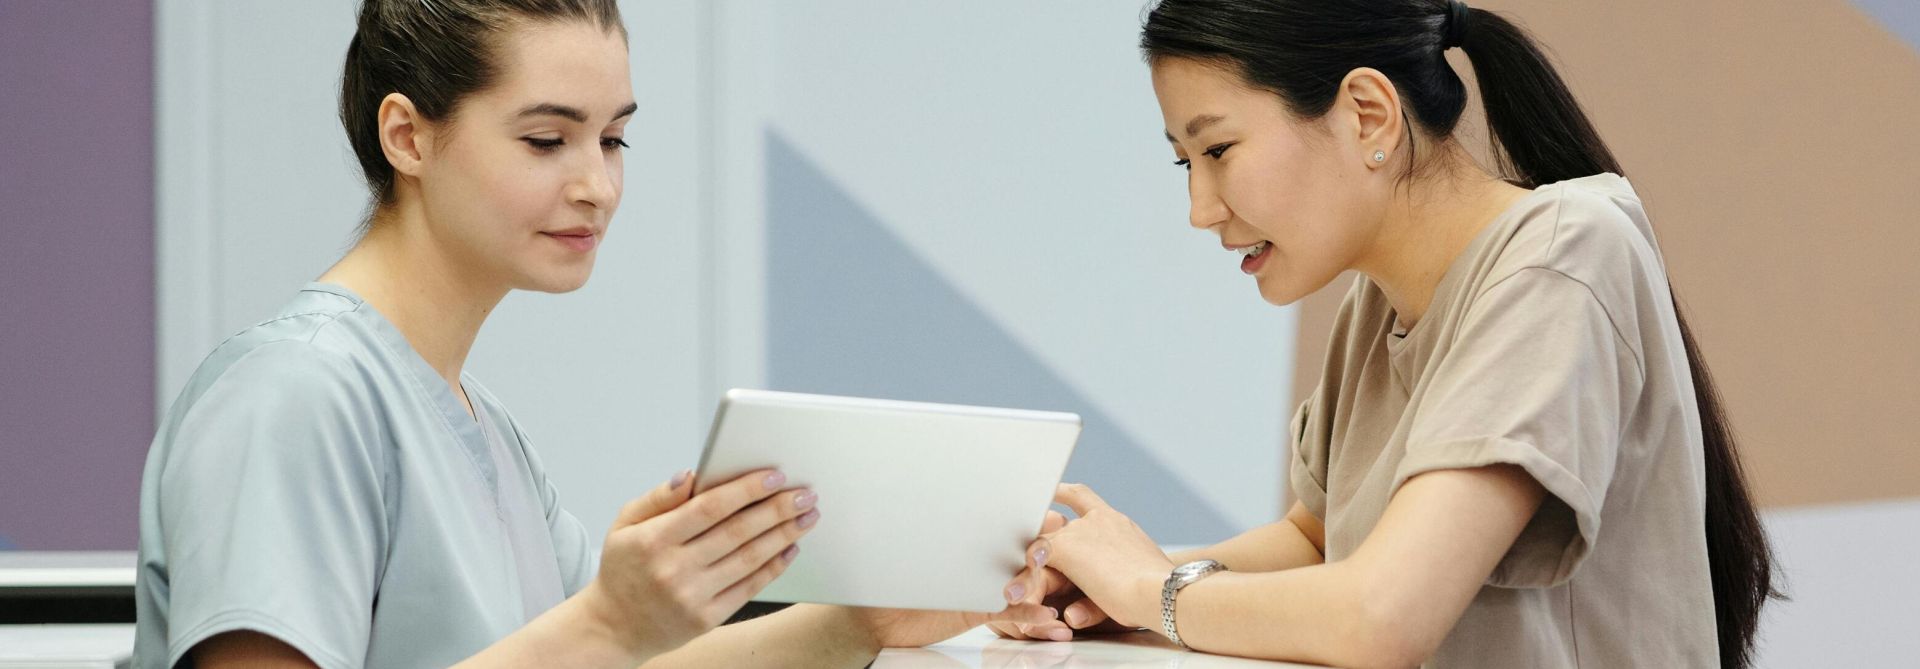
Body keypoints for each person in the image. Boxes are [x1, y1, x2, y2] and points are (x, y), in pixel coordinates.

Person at [132, 2, 1051, 667]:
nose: (597, 186)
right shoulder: (290, 396)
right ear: (407, 138)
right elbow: (598, 647)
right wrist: (610, 622)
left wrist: (862, 622)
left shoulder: (483, 428)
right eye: (546, 140)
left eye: (613, 140)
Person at [995, 1, 1781, 667]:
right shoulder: (1377, 304)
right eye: (1184, 163)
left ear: (1367, 112)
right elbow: (1317, 541)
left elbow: (1384, 614)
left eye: (1219, 149)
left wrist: (1150, 590)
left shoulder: (1561, 256)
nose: (1201, 207)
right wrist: (1118, 580)